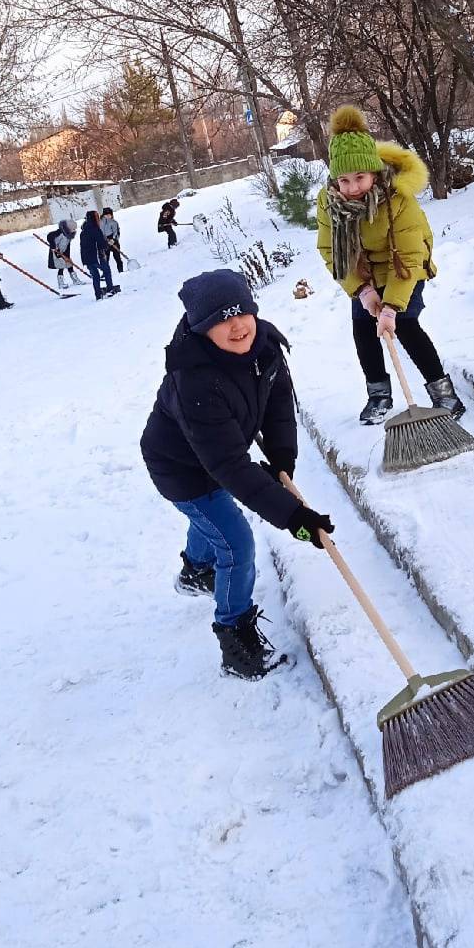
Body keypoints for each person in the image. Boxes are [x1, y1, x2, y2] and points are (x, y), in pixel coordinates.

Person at [139, 268, 334, 680]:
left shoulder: (264, 346)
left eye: (242, 313)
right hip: (181, 470)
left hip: (216, 456)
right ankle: (235, 636)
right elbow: (228, 467)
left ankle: (196, 569)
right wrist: (296, 520)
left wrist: (283, 461)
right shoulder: (194, 382)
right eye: (221, 319)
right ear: (202, 328)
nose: (237, 326)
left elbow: (279, 404)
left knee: (213, 520)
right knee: (236, 541)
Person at [316, 105, 464, 424]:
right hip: (363, 271)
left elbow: (410, 256)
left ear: (374, 171)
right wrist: (364, 291)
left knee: (406, 325)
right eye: (344, 180)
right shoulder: (330, 204)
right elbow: (332, 251)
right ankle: (379, 395)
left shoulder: (396, 197)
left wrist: (391, 307)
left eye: (360, 177)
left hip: (403, 266)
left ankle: (444, 394)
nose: (353, 187)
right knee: (363, 329)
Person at [79, 209, 119, 300]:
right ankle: (110, 289)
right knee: (106, 271)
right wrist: (108, 243)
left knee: (95, 276)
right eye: (97, 217)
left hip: (86, 258)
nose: (98, 219)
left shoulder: (83, 231)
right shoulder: (95, 230)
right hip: (96, 256)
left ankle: (98, 294)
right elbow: (101, 244)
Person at [47, 219, 82, 289]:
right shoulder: (59, 232)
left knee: (69, 264)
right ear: (68, 228)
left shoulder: (69, 236)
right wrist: (53, 247)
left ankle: (75, 279)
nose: (74, 230)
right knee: (61, 266)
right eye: (73, 229)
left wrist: (67, 256)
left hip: (64, 252)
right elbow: (49, 236)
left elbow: (67, 246)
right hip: (56, 252)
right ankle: (61, 283)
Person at [100, 205, 125, 274]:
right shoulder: (100, 222)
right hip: (104, 241)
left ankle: (120, 270)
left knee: (117, 257)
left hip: (113, 241)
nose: (108, 216)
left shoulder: (114, 222)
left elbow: (116, 232)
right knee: (105, 258)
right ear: (103, 215)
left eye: (109, 214)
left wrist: (113, 240)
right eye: (106, 215)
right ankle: (105, 273)